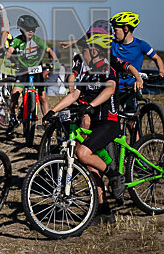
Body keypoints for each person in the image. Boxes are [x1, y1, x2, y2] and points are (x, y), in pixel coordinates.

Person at [42, 34, 121, 223]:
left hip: (108, 122)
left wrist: (92, 105)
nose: (82, 55)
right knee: (90, 166)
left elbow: (109, 89)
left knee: (82, 153)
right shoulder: (88, 73)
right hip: (94, 124)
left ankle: (115, 176)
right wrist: (53, 110)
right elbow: (75, 94)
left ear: (94, 51)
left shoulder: (106, 69)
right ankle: (104, 210)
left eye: (84, 51)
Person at [5, 15, 60, 133]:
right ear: (21, 29)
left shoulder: (37, 40)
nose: (31, 31)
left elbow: (49, 50)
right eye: (28, 29)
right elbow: (10, 50)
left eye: (33, 29)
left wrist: (55, 61)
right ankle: (13, 117)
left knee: (43, 96)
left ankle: (46, 121)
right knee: (15, 93)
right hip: (23, 70)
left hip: (37, 70)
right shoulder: (17, 40)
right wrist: (7, 59)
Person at [109, 12, 164, 112]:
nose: (113, 33)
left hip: (131, 88)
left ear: (126, 29)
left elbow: (157, 58)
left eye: (115, 30)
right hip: (113, 87)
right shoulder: (112, 44)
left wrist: (161, 71)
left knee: (132, 119)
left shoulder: (141, 45)